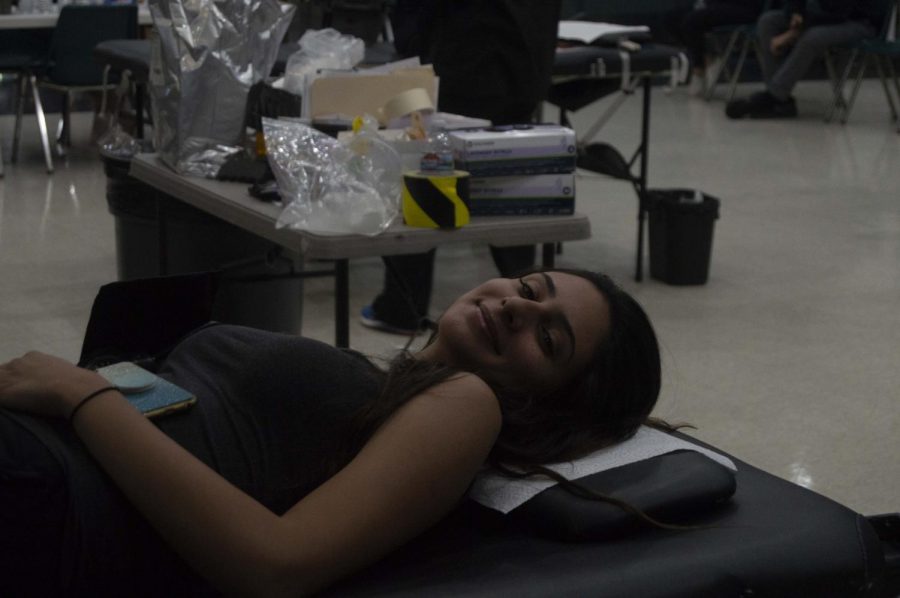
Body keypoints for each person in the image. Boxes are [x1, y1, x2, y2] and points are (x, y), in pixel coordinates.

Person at [0, 269, 662, 596]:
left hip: (46, 494)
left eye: (548, 337)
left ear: (554, 406)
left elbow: (276, 562)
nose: (518, 306)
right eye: (530, 286)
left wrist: (82, 395)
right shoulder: (386, 384)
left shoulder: (467, 406)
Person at [361, 0, 563, 334]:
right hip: (523, 70)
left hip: (460, 66)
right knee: (511, 191)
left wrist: (414, 55)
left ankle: (402, 307)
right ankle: (528, 302)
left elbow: (414, 17)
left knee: (425, 176)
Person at [725, 0, 885, 119]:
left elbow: (840, 13)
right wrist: (796, 13)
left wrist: (794, 33)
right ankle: (780, 101)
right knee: (768, 21)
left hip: (858, 22)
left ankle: (773, 96)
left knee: (812, 37)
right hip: (822, 16)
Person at [665, 0, 766, 96]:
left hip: (742, 6)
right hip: (714, 3)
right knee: (671, 18)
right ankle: (708, 56)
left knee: (692, 21)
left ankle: (698, 69)